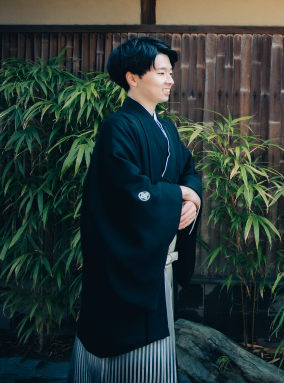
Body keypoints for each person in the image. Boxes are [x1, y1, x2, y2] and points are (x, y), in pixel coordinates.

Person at [68, 37, 202, 383]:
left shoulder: (166, 127)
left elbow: (190, 170)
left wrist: (193, 200)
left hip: (158, 258)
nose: (170, 80)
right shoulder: (118, 126)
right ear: (132, 77)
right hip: (127, 261)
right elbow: (127, 191)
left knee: (157, 333)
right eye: (160, 72)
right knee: (123, 343)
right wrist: (178, 196)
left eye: (170, 72)